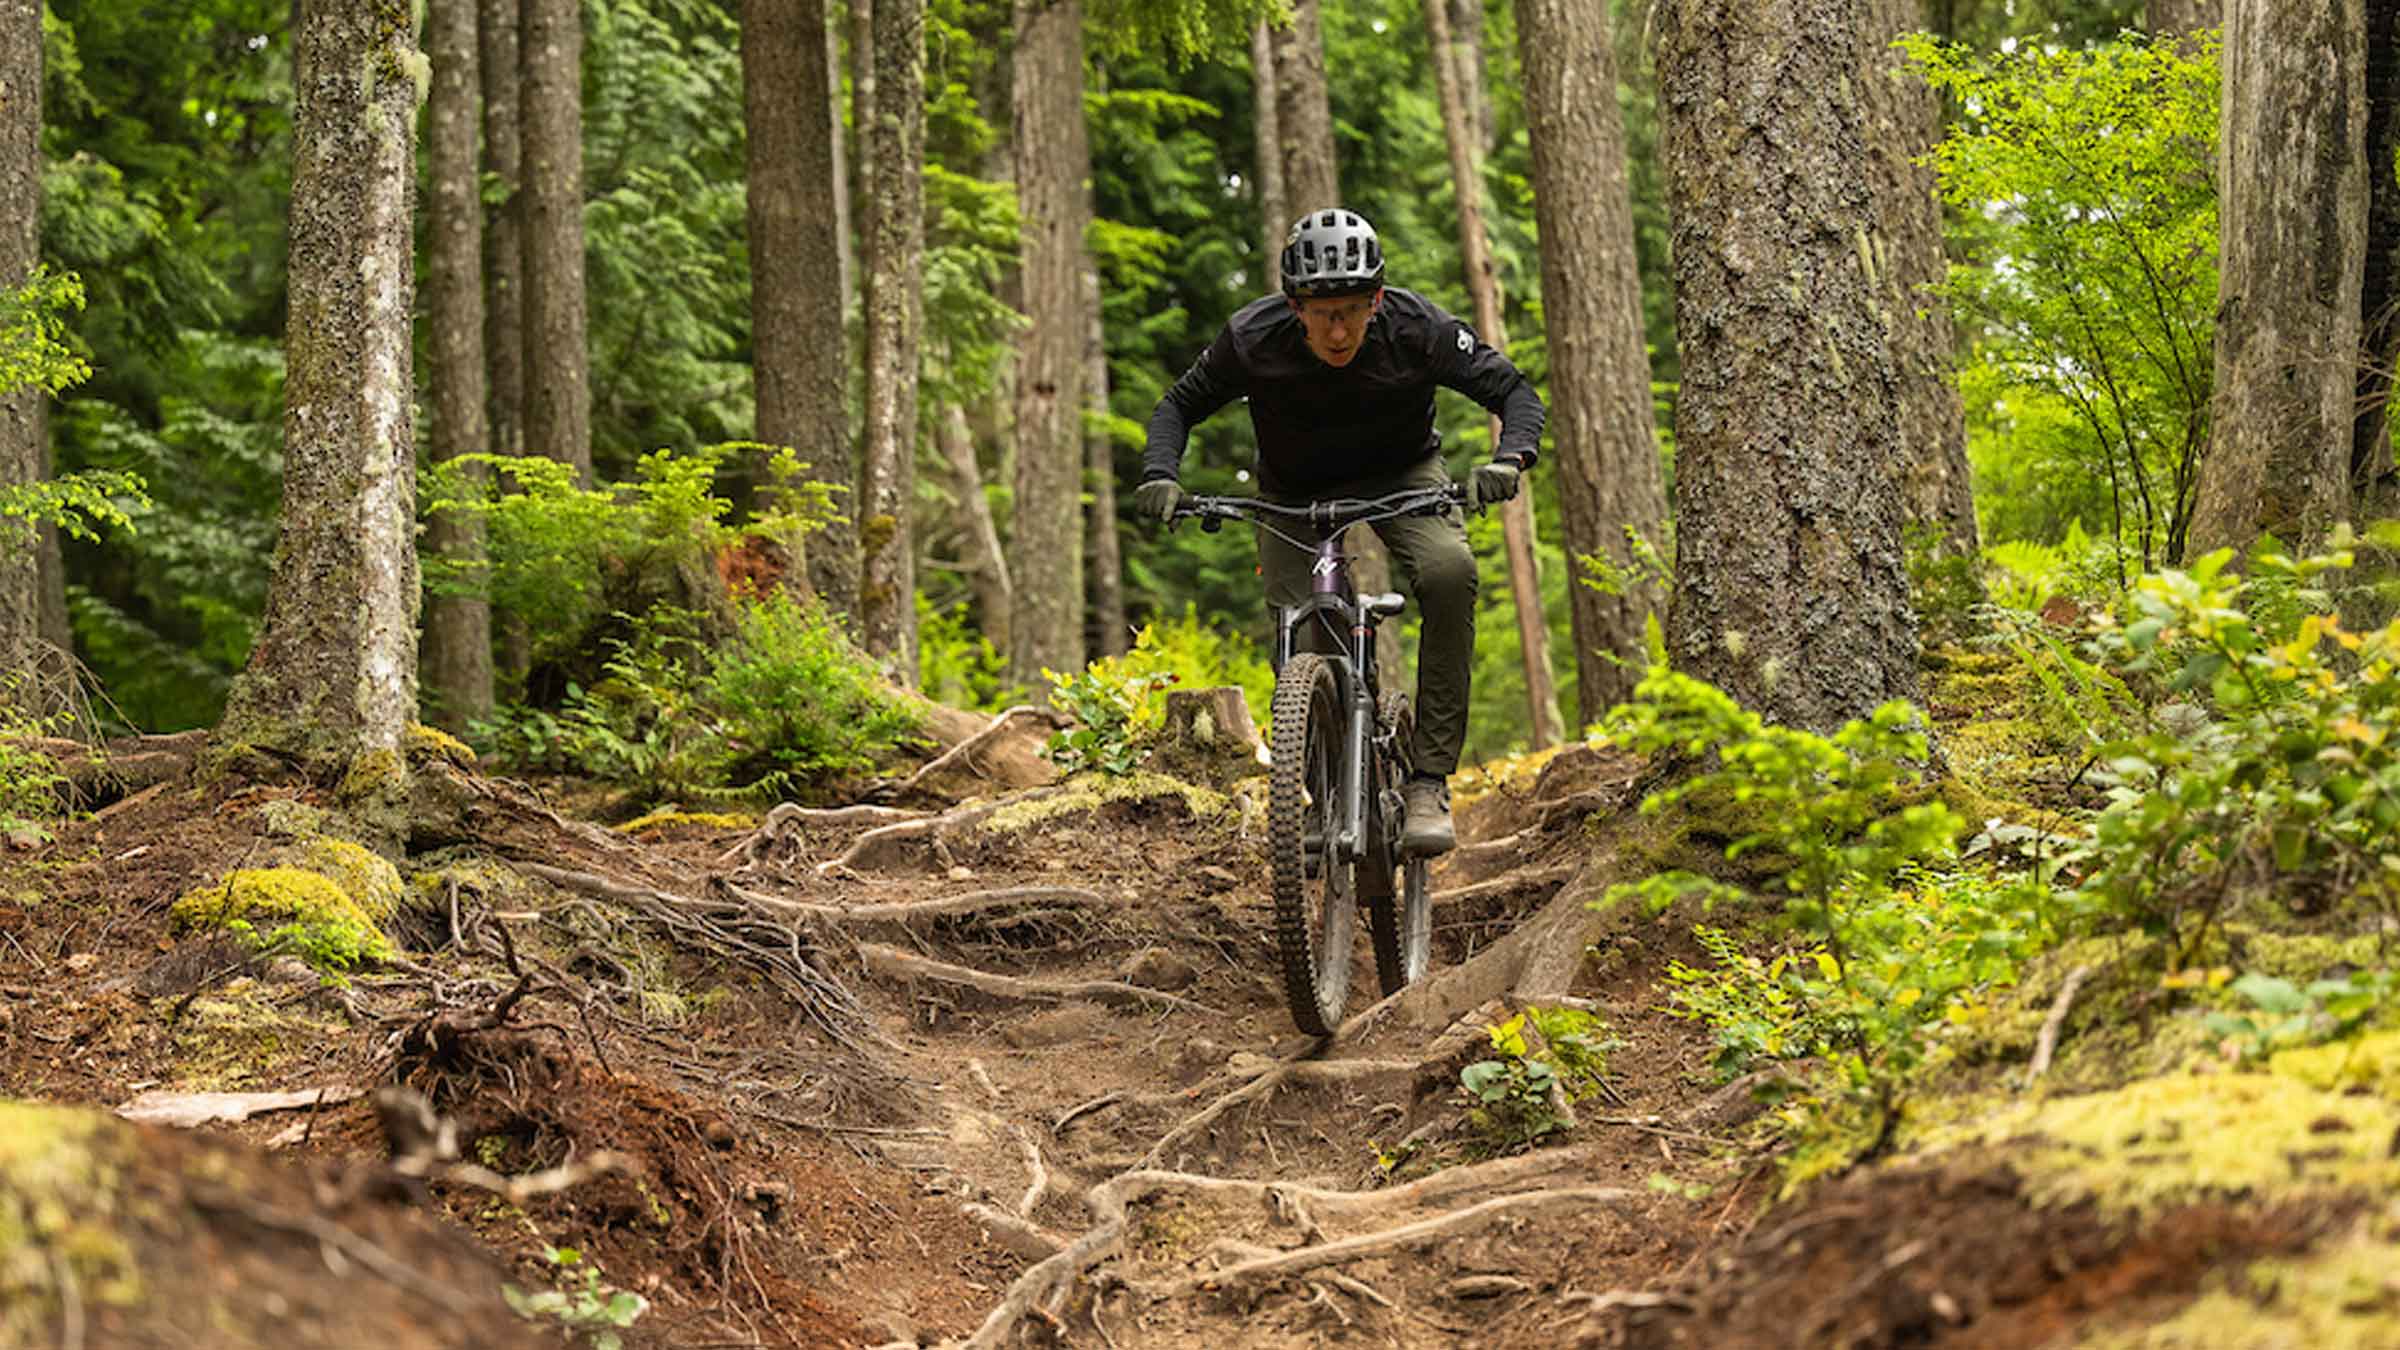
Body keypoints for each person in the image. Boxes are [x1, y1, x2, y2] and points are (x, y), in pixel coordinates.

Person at [1134, 208, 1546, 856]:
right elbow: (1178, 405)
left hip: (1403, 477)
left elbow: (1514, 392)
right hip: (1294, 493)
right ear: (1294, 307)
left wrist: (1509, 459)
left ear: (1376, 301)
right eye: (1322, 313)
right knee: (1300, 632)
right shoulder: (1251, 338)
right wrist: (1161, 474)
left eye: (1352, 311)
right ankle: (1323, 790)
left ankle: (1428, 780)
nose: (1337, 330)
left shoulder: (1417, 328)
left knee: (1448, 572)